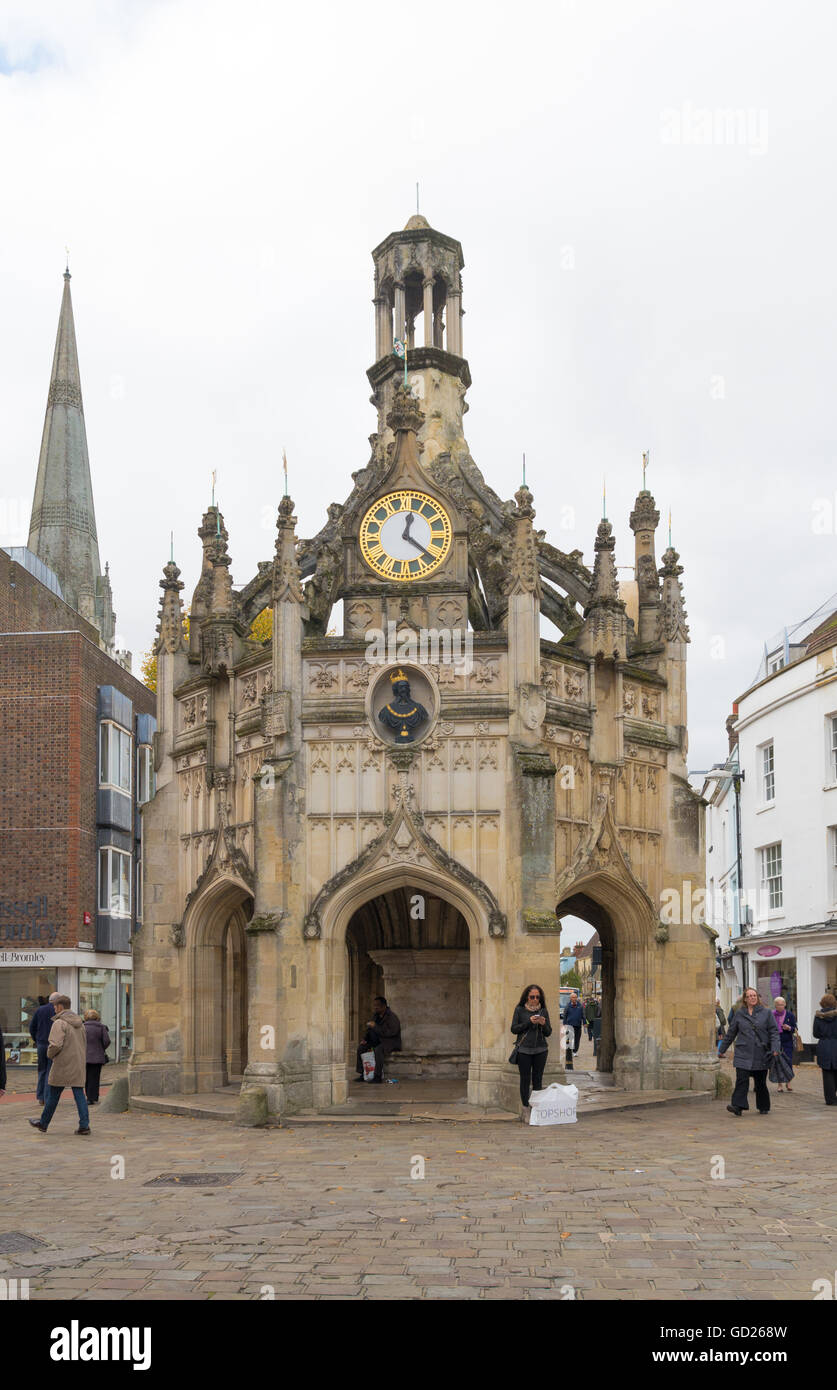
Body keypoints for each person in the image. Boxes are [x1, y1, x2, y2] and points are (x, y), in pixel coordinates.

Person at [28, 995, 90, 1135]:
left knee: (53, 1095)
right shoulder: (80, 1023)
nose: (54, 1009)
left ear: (60, 1006)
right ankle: (84, 1125)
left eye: (55, 1006)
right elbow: (84, 1043)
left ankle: (43, 1123)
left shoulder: (59, 1023)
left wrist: (49, 1055)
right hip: (77, 1062)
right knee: (79, 1094)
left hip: (62, 1063)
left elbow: (55, 1044)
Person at [718, 987, 780, 1116]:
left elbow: (774, 1032)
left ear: (757, 998)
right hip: (742, 1052)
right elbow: (731, 1033)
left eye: (754, 996)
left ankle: (763, 1106)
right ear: (745, 999)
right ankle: (738, 1106)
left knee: (760, 1082)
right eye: (749, 996)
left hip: (761, 1052)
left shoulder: (766, 1013)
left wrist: (775, 1048)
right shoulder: (739, 1014)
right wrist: (721, 1049)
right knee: (741, 1080)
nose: (752, 998)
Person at [510, 984, 552, 1119]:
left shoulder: (543, 1011)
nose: (535, 999)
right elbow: (514, 1029)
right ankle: (525, 1109)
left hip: (541, 1049)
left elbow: (548, 1032)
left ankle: (536, 1109)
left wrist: (543, 1024)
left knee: (537, 1080)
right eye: (532, 997)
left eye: (537, 997)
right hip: (524, 1050)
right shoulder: (520, 1009)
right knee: (525, 1079)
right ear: (526, 997)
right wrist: (529, 1022)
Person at [354, 996, 402, 1083]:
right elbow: (370, 1030)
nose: (375, 1007)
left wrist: (375, 1026)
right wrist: (365, 1039)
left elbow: (391, 1032)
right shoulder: (375, 1016)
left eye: (378, 1005)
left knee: (378, 1050)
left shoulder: (391, 1017)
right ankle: (363, 1073)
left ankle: (377, 1076)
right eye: (374, 1005)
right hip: (378, 1040)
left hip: (390, 1042)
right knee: (361, 1048)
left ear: (384, 1006)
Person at [28, 994, 56, 1104]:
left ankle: (41, 1097)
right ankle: (48, 1096)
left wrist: (37, 1039)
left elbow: (32, 1027)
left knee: (42, 1070)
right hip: (53, 1044)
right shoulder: (57, 1011)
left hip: (41, 1044)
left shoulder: (40, 1010)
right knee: (50, 1070)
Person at [813, 992, 837, 1106]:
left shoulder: (818, 1016)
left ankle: (830, 1099)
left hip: (823, 1046)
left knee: (827, 1073)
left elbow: (815, 1033)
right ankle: (834, 1096)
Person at [83, 1009, 111, 1105]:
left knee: (86, 1077)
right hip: (97, 1057)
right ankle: (94, 1096)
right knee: (95, 1077)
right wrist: (101, 1048)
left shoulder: (82, 1028)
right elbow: (107, 1041)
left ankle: (88, 1097)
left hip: (85, 1056)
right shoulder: (101, 1027)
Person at [772, 996, 797, 1093]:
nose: (780, 1006)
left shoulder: (790, 1015)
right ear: (775, 1005)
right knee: (778, 1062)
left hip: (787, 1042)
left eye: (782, 1004)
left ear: (785, 1004)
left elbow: (794, 1028)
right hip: (776, 1042)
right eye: (778, 1004)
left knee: (788, 1062)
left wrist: (789, 1028)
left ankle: (789, 1082)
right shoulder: (772, 1015)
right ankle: (780, 1084)